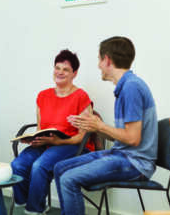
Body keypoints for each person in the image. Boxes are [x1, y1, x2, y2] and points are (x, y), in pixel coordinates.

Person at [54, 36, 158, 215]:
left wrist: (100, 127)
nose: (98, 65)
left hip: (136, 163)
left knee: (68, 179)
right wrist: (96, 127)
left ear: (107, 60)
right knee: (59, 168)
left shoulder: (131, 88)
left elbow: (133, 138)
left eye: (99, 60)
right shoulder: (125, 86)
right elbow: (124, 135)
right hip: (122, 154)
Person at [11, 49, 94, 215]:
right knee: (17, 165)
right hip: (48, 143)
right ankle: (27, 202)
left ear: (74, 73)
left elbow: (81, 137)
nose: (60, 72)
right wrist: (34, 139)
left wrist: (58, 142)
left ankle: (35, 210)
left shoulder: (81, 97)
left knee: (39, 166)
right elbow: (41, 128)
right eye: (57, 68)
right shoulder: (43, 96)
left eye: (66, 69)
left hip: (72, 145)